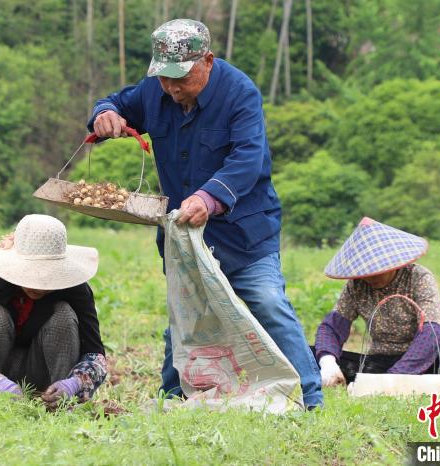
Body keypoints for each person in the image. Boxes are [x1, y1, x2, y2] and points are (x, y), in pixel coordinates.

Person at [88, 19, 323, 408]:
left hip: (244, 232)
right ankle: (174, 394)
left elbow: (247, 159)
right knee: (185, 314)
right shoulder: (155, 90)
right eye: (163, 78)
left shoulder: (240, 93)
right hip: (183, 235)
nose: (171, 87)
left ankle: (310, 397)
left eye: (180, 78)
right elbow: (117, 102)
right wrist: (105, 113)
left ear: (208, 61)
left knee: (266, 302)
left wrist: (208, 199)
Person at [0, 214, 107, 410]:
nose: (39, 284)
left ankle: (58, 403)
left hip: (45, 373)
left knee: (63, 313)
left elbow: (95, 355)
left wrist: (73, 384)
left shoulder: (75, 289)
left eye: (49, 274)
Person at [313, 217, 440, 393]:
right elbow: (332, 327)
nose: (371, 276)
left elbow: (432, 332)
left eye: (378, 269)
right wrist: (328, 361)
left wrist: (396, 377)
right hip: (381, 363)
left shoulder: (418, 277)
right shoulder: (356, 285)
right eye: (366, 271)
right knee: (309, 353)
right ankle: (378, 384)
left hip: (429, 362)